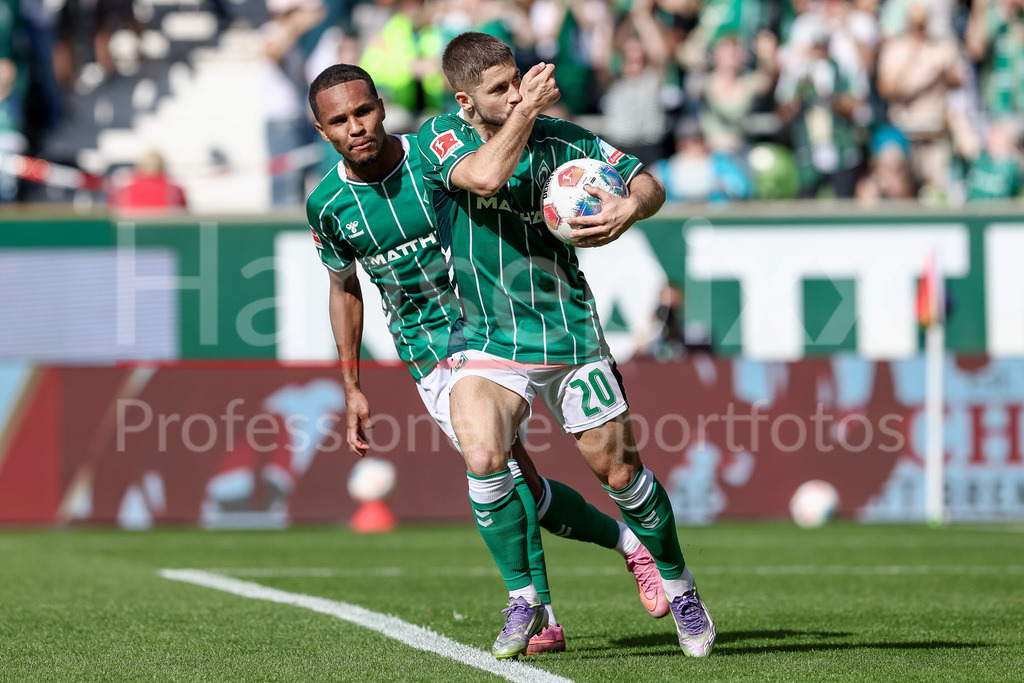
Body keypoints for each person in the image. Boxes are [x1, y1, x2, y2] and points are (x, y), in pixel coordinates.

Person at [305, 63, 669, 656]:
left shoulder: (434, 153)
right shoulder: (327, 205)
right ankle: (627, 548)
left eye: (363, 111)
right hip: (428, 351)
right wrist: (352, 385)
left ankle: (538, 609)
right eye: (340, 121)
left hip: (495, 327)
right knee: (518, 482)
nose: (357, 127)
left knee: (493, 462)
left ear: (381, 106)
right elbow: (344, 289)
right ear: (323, 132)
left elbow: (485, 173)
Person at [417, 32, 715, 659]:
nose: (518, 91)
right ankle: (526, 601)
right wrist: (525, 111)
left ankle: (680, 583)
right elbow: (486, 175)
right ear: (466, 100)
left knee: (621, 474)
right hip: (488, 338)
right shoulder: (440, 139)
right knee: (482, 454)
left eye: (517, 79)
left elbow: (650, 184)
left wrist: (628, 209)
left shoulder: (565, 140)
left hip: (569, 333)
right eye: (499, 89)